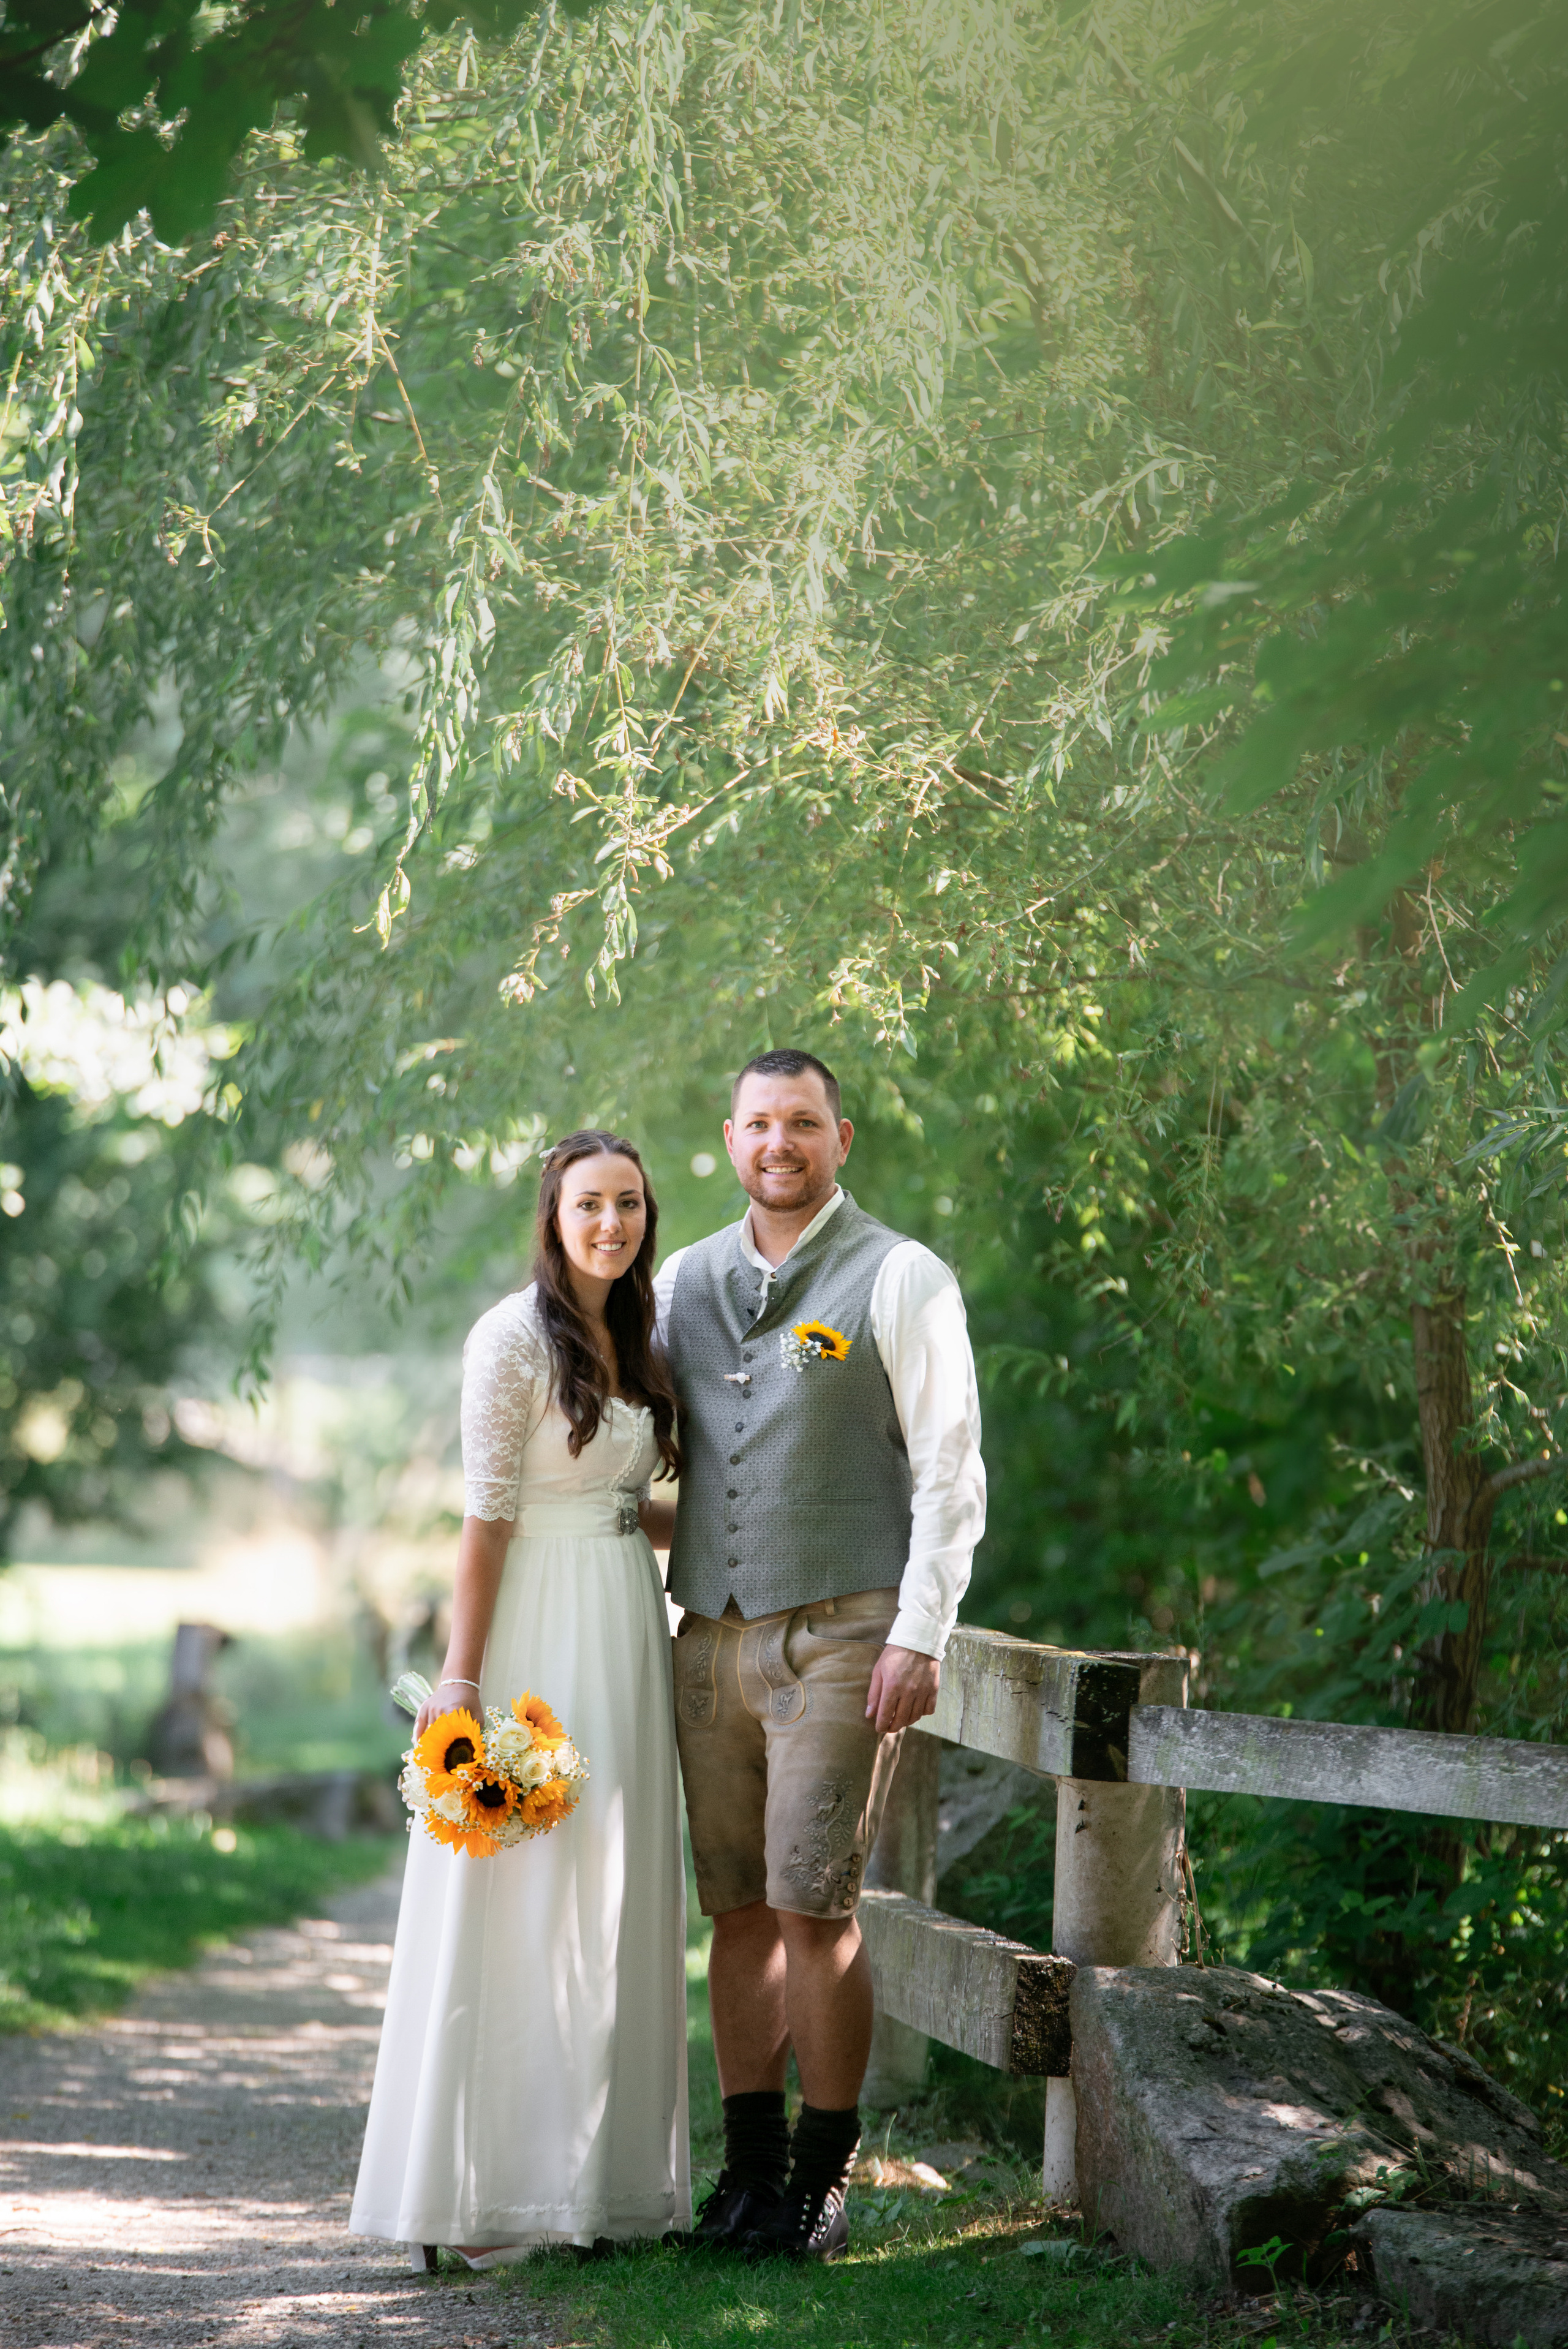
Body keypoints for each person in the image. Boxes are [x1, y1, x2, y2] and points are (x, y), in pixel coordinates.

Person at [654, 1047, 985, 2261]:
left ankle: (820, 2181)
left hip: (845, 1634)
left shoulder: (900, 1276)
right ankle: (743, 2180)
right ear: (727, 1137)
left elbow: (951, 1466)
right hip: (710, 1638)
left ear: (841, 1137)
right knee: (734, 1915)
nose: (778, 1143)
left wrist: (920, 1630)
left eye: (802, 1122)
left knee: (812, 1908)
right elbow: (627, 1450)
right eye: (758, 1124)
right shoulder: (679, 1280)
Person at [351, 1131, 690, 2267]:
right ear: (554, 1217)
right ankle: (476, 2192)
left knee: (610, 1890)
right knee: (517, 1889)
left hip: (624, 1624)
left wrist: (764, 1534)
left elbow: (634, 1502)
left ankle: (599, 2187)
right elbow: (488, 1517)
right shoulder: (510, 1338)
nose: (612, 1224)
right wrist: (460, 1680)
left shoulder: (644, 1338)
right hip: (533, 1628)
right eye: (590, 1204)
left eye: (630, 1205)